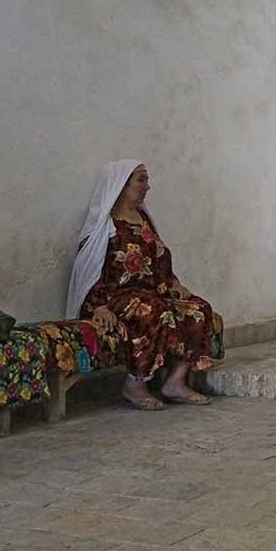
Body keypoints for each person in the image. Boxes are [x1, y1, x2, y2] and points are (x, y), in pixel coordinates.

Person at [67, 160, 223, 411]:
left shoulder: (144, 220)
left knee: (198, 309)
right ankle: (135, 384)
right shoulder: (104, 226)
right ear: (120, 186)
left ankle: (175, 382)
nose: (147, 186)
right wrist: (98, 306)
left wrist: (174, 283)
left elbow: (160, 259)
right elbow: (87, 269)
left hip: (153, 293)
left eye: (146, 180)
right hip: (117, 298)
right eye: (140, 180)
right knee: (155, 312)